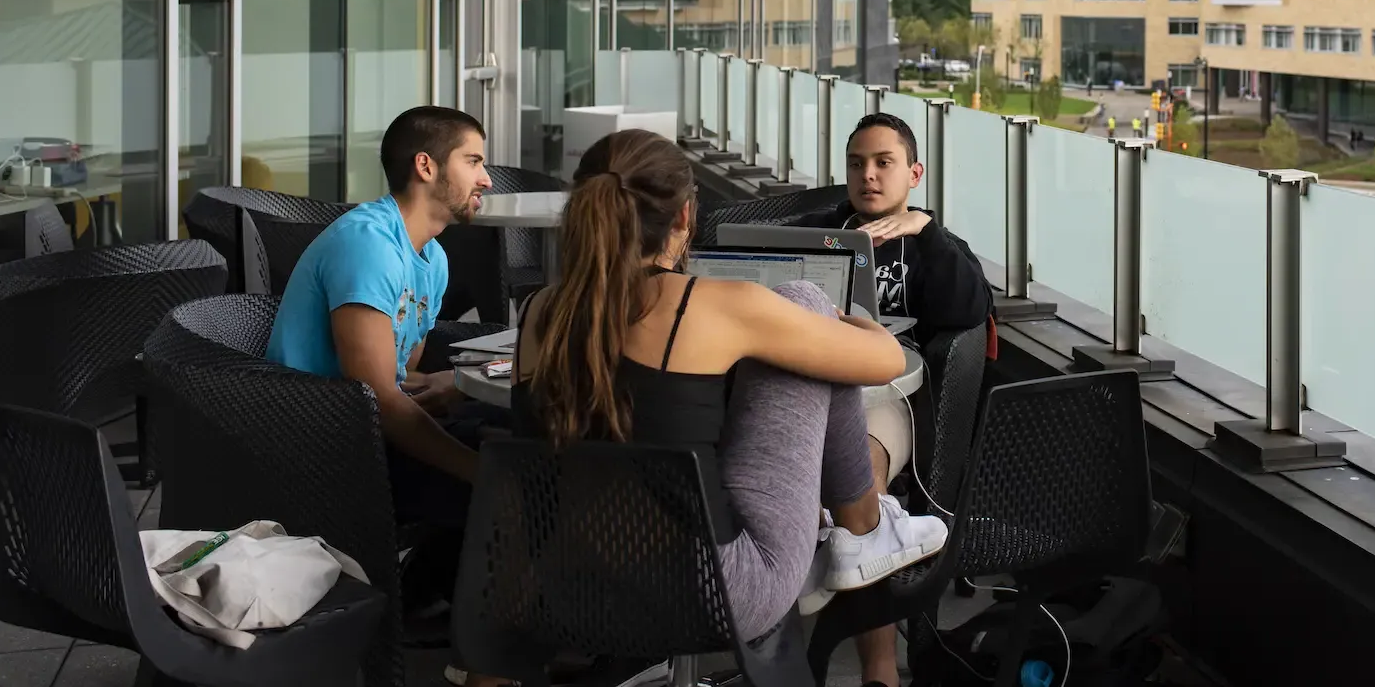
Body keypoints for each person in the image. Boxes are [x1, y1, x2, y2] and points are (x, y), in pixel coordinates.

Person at [512, 129, 948, 652]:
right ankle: (864, 527)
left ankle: (861, 532)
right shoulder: (718, 305)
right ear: (684, 217)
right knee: (805, 297)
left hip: (569, 583)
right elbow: (885, 362)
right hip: (716, 592)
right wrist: (845, 323)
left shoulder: (540, 312)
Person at [265, 105, 503, 687]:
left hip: (363, 431)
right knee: (507, 476)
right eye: (473, 161)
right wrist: (477, 470)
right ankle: (483, 657)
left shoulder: (432, 258)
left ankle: (434, 605)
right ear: (427, 166)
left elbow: (401, 378)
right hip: (322, 450)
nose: (487, 178)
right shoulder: (368, 244)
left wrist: (448, 390)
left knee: (513, 443)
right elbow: (370, 394)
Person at [797, 112, 993, 687]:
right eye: (857, 163)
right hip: (806, 377)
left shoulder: (934, 245)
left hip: (889, 391)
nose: (869, 175)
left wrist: (923, 231)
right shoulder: (825, 231)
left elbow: (968, 311)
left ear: (914, 172)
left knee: (860, 481)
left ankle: (879, 669)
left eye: (884, 163)